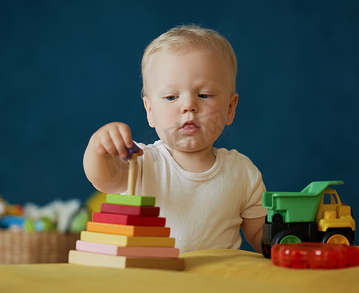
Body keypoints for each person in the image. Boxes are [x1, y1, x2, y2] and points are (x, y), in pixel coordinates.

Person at [83, 25, 266, 253]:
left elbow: (259, 234)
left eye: (204, 95)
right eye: (171, 97)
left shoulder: (243, 174)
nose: (189, 105)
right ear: (150, 111)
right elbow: (103, 178)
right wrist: (99, 146)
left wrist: (279, 240)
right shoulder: (141, 162)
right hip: (157, 279)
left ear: (230, 108)